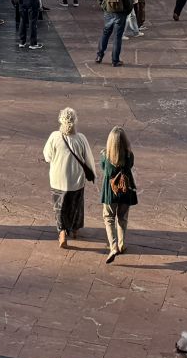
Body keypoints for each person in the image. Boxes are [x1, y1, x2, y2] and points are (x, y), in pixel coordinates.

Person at [42, 106, 97, 249]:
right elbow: (89, 159)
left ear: (61, 120)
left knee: (59, 208)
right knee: (75, 205)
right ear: (75, 121)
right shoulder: (81, 138)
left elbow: (47, 156)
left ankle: (61, 233)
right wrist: (93, 174)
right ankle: (74, 230)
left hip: (57, 180)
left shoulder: (54, 136)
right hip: (76, 180)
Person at [99, 127, 136, 265]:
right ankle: (121, 244)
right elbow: (130, 165)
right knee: (122, 217)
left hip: (110, 192)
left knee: (109, 218)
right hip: (125, 191)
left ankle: (113, 246)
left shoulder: (105, 156)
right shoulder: (129, 156)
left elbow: (104, 169)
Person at [95, 0, 133, 67]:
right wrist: (126, 13)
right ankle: (115, 60)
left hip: (108, 12)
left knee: (105, 33)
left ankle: (99, 56)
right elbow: (129, 3)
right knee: (117, 37)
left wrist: (104, 7)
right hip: (120, 14)